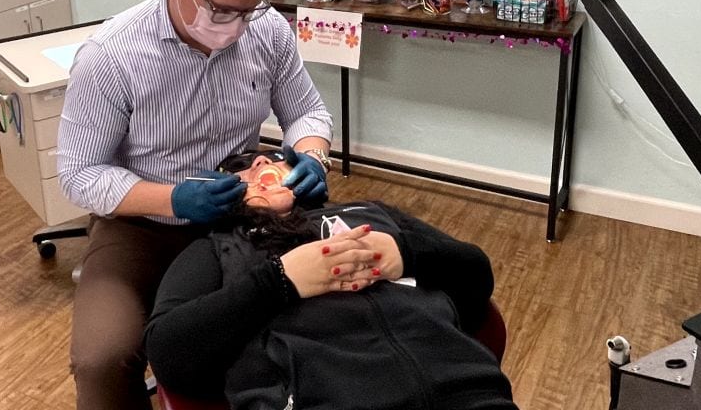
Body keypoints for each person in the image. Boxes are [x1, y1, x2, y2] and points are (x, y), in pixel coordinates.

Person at [57, 0, 335, 409]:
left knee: (306, 325)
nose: (236, 27)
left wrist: (313, 157)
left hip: (243, 215)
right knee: (102, 357)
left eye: (249, 9)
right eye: (222, 10)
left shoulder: (266, 30)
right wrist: (174, 197)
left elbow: (308, 112)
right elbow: (80, 175)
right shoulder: (112, 56)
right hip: (143, 222)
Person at [146, 149, 514, 410]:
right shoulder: (219, 248)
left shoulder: (370, 213)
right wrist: (281, 280)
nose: (260, 162)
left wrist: (405, 252)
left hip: (468, 392)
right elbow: (168, 353)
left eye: (275, 157)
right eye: (239, 168)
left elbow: (476, 278)